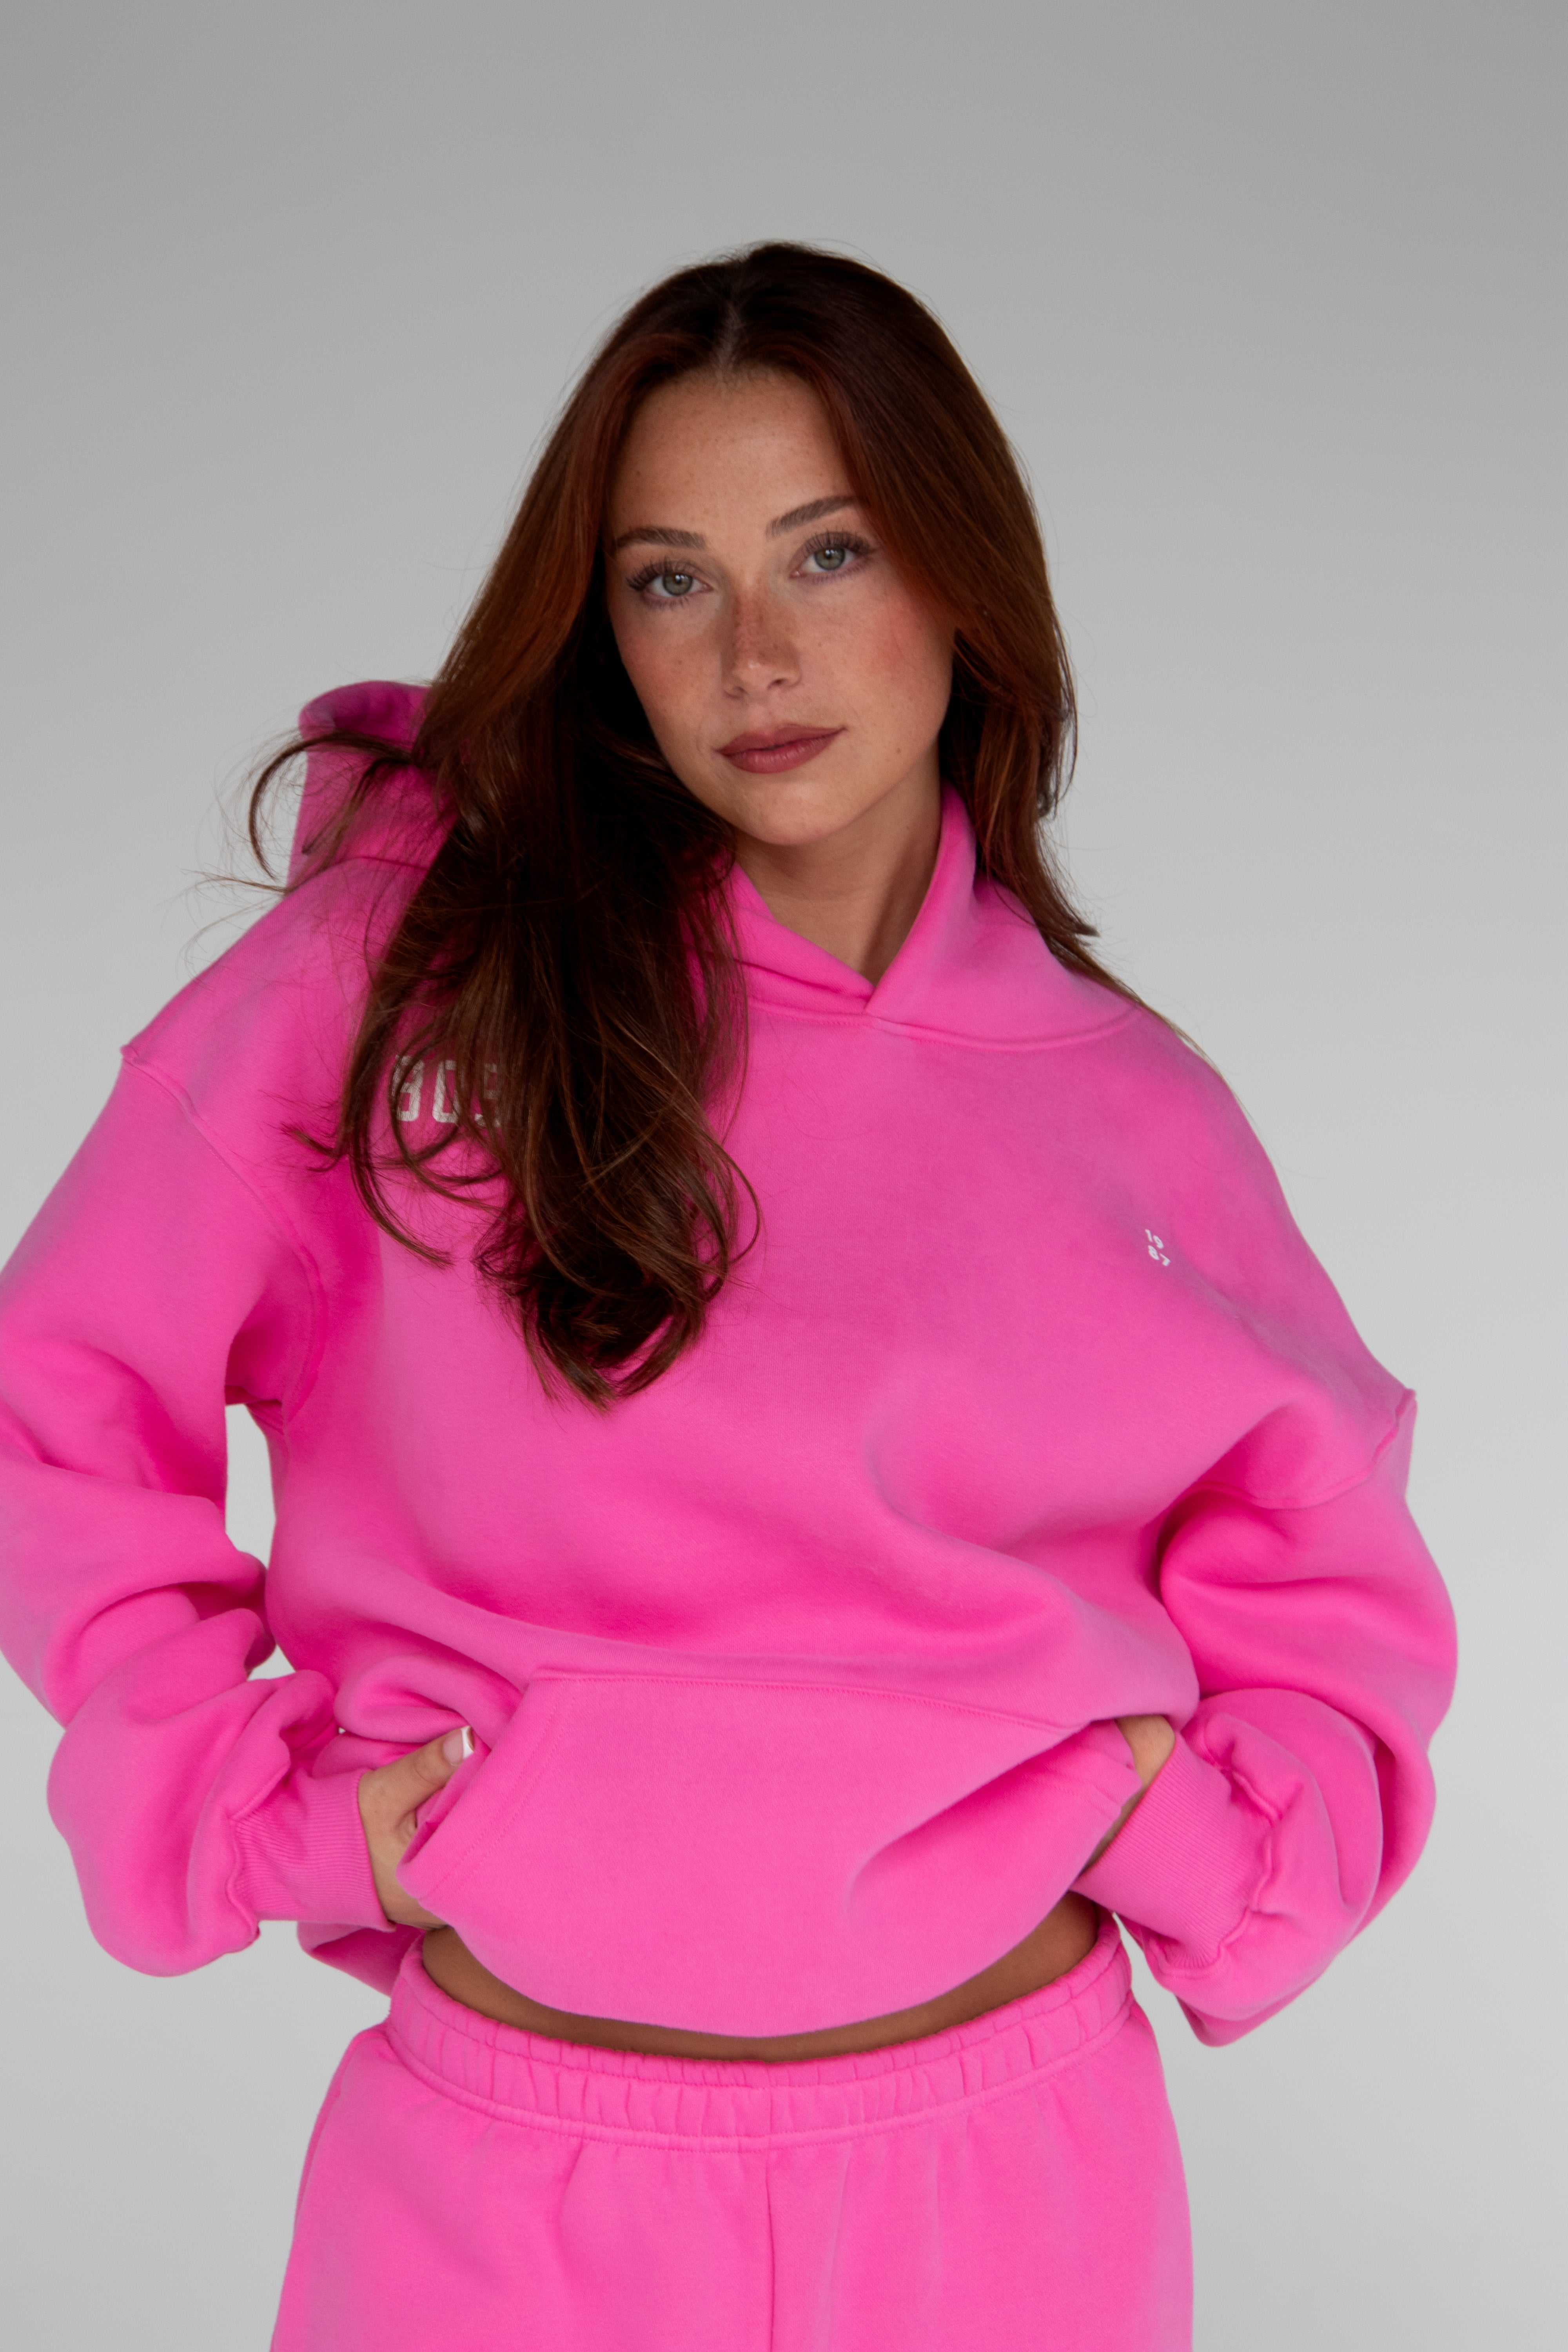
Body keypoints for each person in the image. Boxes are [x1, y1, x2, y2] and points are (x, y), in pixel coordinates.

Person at [0, 243, 1455, 2350]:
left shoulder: (1130, 1108)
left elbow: (1323, 1563)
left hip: (1009, 2197)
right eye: (672, 579)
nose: (759, 655)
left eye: (830, 553)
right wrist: (253, 1807)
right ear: (605, 631)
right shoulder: (413, 989)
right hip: (505, 2199)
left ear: (964, 579)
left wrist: (1198, 1838)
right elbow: (55, 1397)